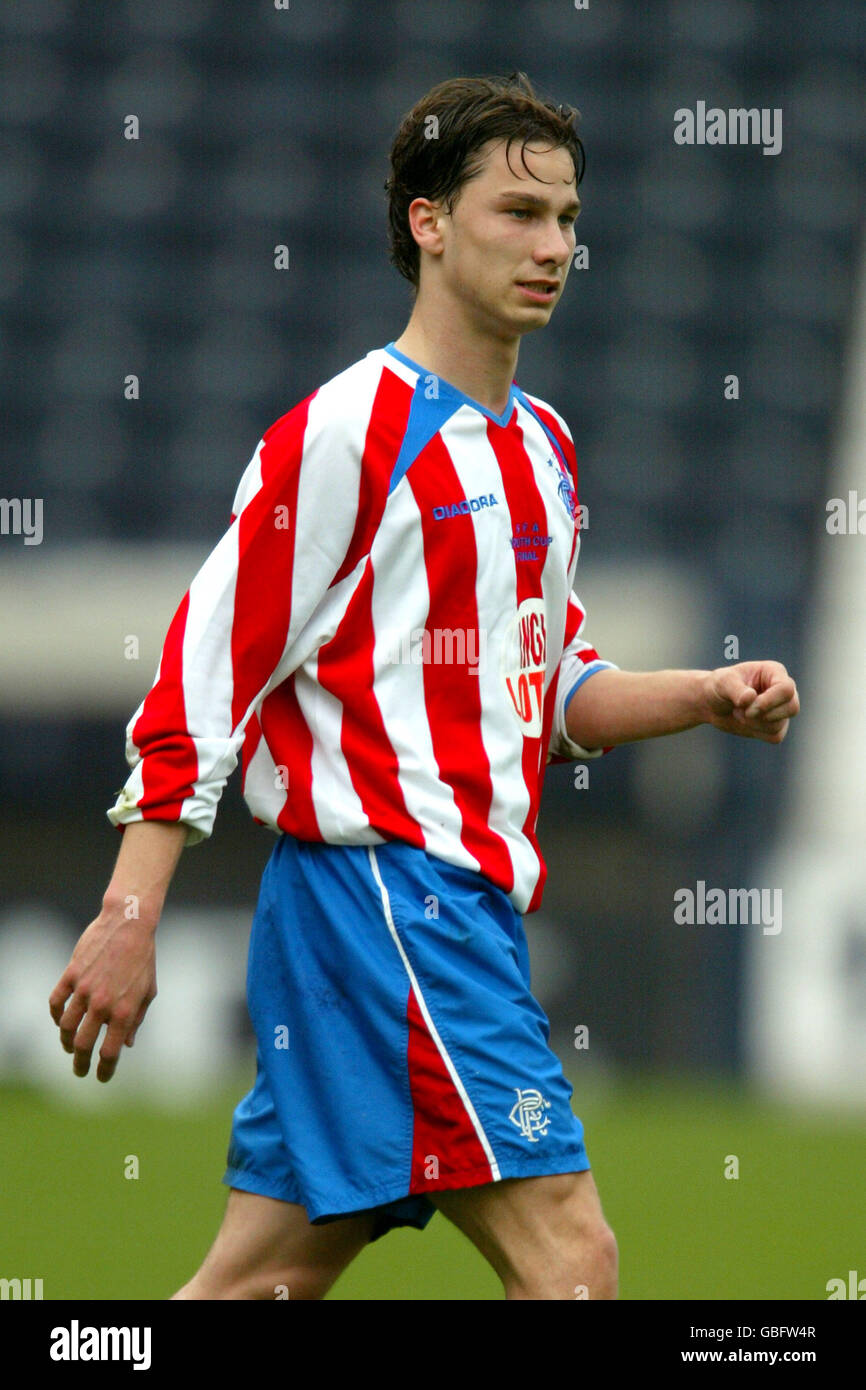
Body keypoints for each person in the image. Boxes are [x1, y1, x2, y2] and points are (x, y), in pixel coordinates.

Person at [48, 73, 800, 1301]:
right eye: (517, 212)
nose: (553, 246)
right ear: (425, 222)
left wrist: (701, 695)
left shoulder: (541, 447)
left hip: (423, 917)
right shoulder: (348, 433)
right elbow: (203, 670)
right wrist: (129, 920)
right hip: (394, 900)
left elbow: (546, 691)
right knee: (572, 1260)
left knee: (260, 1281)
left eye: (566, 218)